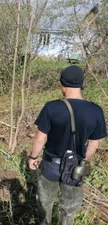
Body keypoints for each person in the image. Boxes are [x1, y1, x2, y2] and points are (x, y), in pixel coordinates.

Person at [28, 65, 107, 225]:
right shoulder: (96, 111)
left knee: (45, 204)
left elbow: (39, 139)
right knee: (69, 209)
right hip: (74, 170)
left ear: (62, 85)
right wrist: (80, 160)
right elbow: (93, 145)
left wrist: (33, 157)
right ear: (82, 84)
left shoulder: (52, 107)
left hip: (50, 165)